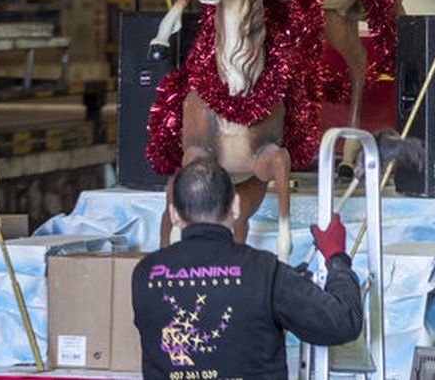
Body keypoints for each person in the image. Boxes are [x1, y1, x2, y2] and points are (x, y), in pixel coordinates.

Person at [131, 159, 362, 380]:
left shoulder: (144, 274)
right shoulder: (265, 272)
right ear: (235, 207)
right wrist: (336, 258)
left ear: (173, 214)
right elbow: (343, 321)